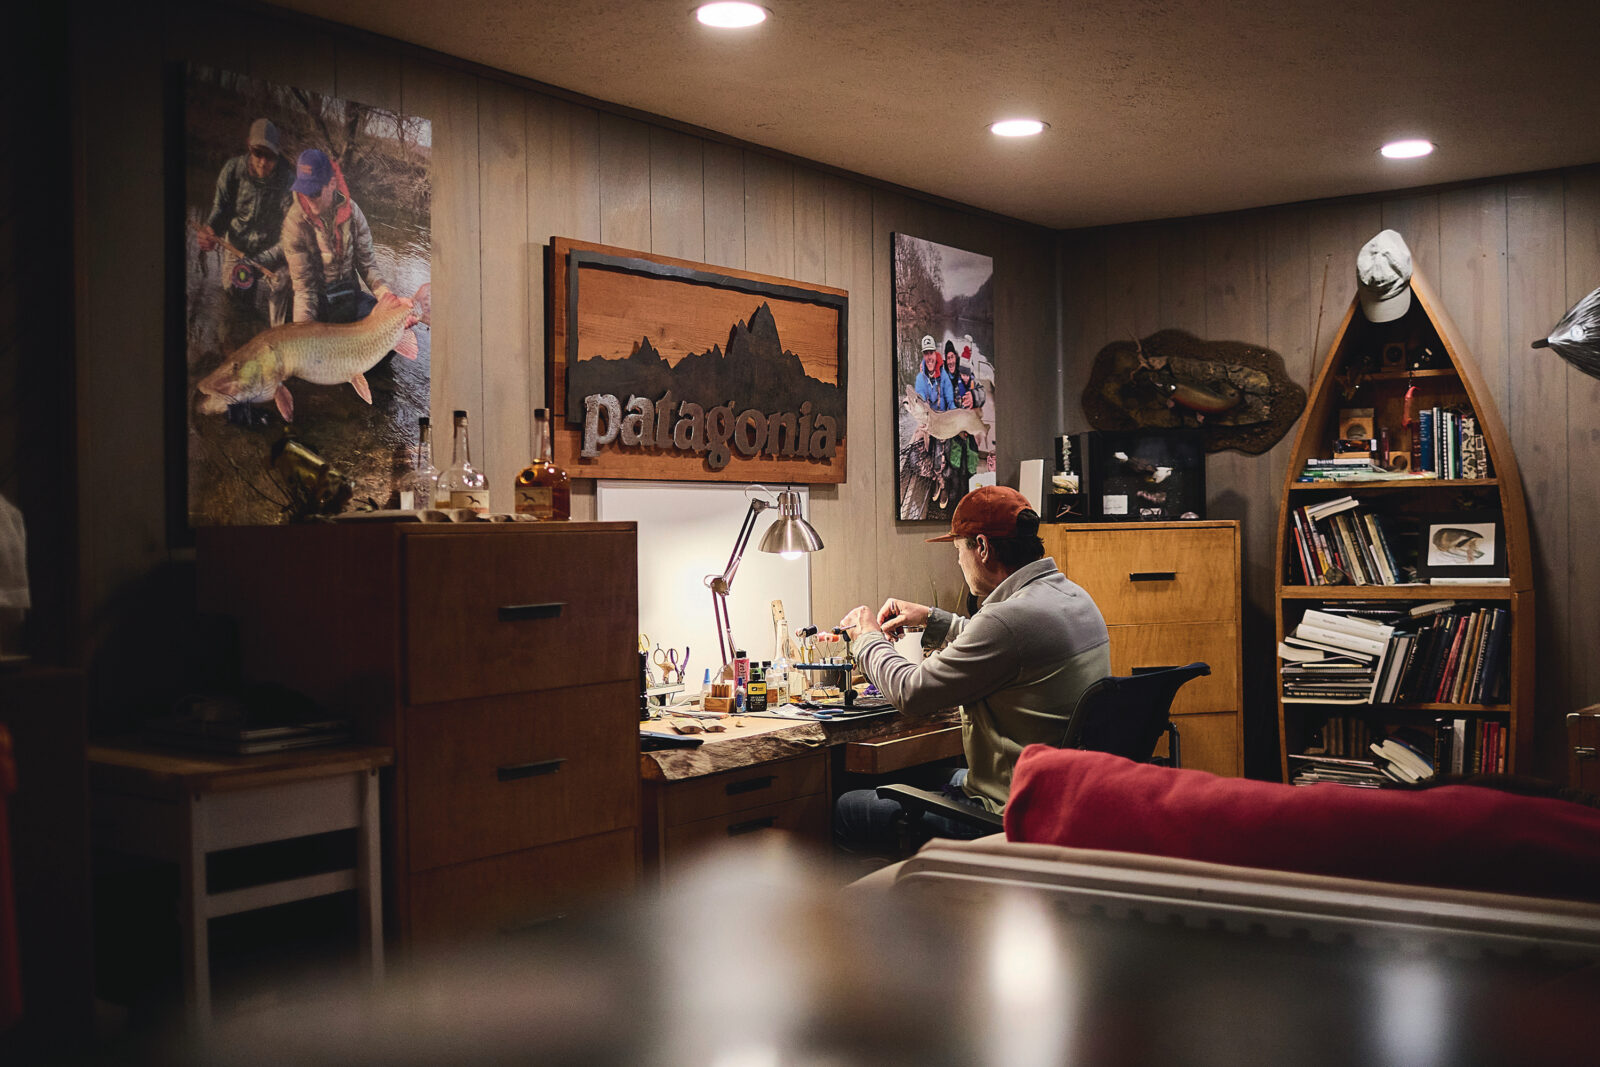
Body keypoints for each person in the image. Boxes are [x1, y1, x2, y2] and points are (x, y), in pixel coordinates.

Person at [834, 486, 1111, 853]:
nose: (958, 562)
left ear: (981, 547)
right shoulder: (1070, 596)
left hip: (1012, 815)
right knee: (916, 776)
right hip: (1067, 798)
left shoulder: (1009, 619)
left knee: (845, 806)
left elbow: (911, 692)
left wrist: (867, 637)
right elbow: (1008, 647)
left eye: (958, 550)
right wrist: (933, 619)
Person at [196, 118, 294, 342]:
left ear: (277, 155)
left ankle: (278, 341)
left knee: (284, 282)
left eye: (269, 156)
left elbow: (290, 234)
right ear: (249, 145)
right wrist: (211, 231)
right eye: (257, 152)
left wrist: (264, 259)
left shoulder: (288, 181)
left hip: (271, 253)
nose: (262, 162)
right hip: (237, 248)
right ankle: (235, 343)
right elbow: (220, 210)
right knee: (234, 303)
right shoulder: (232, 170)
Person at [280, 147, 393, 324]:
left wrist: (388, 298)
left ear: (332, 183)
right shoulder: (294, 223)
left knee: (392, 324)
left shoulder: (353, 213)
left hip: (348, 296)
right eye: (304, 191)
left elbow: (367, 265)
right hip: (317, 299)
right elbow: (304, 290)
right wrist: (303, 330)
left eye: (315, 192)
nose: (309, 198)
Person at [913, 334, 953, 411]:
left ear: (935, 354)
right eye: (926, 353)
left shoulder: (944, 376)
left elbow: (950, 402)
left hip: (942, 417)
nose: (929, 357)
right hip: (927, 417)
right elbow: (921, 400)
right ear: (923, 356)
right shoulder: (920, 379)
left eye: (931, 353)